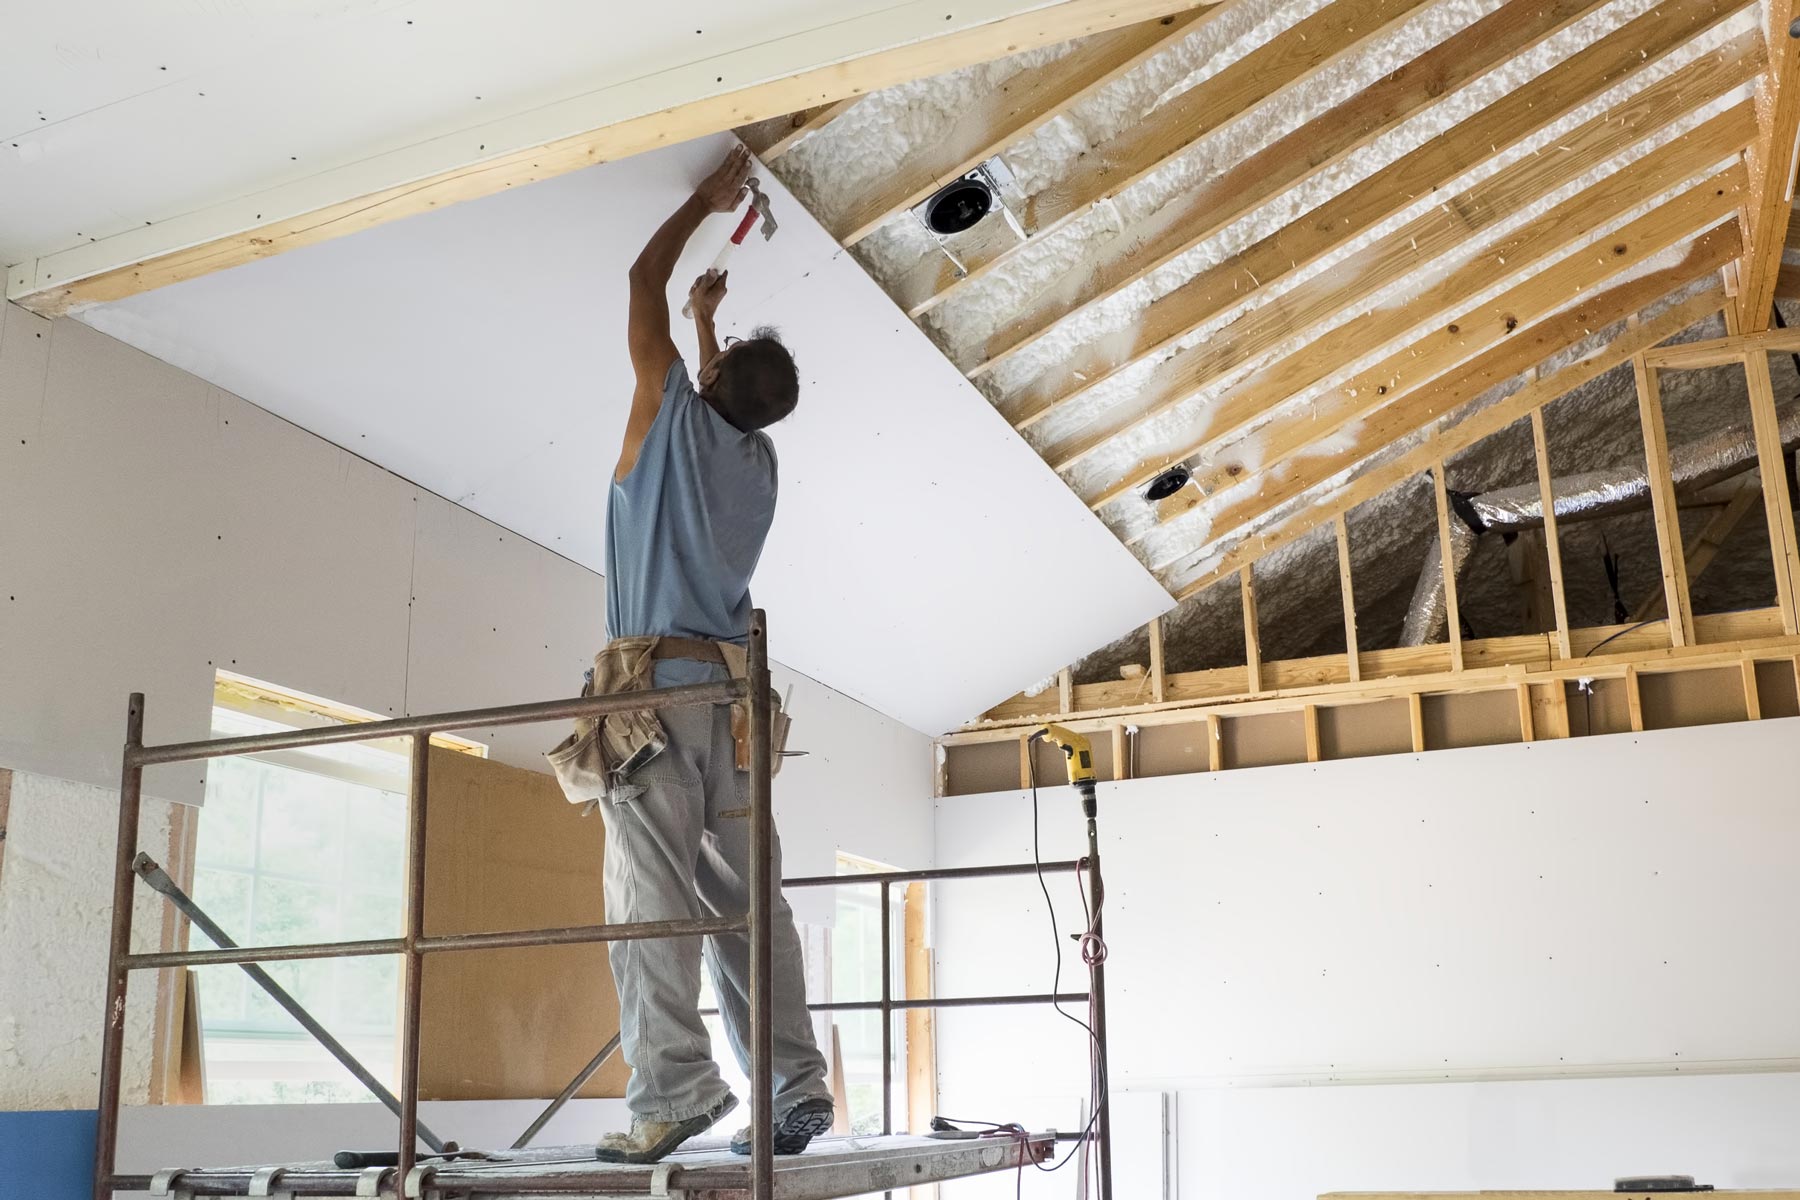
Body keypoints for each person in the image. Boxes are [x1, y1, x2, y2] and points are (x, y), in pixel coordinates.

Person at [591, 145, 832, 1165]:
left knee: (651, 896)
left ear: (716, 379)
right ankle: (793, 1086)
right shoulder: (760, 461)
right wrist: (706, 324)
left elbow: (637, 280)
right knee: (746, 904)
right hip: (736, 707)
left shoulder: (667, 421)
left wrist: (705, 200)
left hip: (653, 698)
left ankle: (675, 1094)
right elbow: (716, 393)